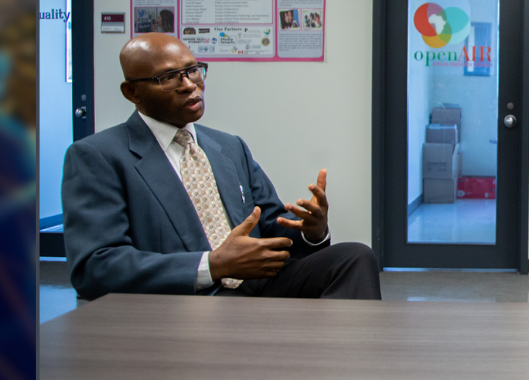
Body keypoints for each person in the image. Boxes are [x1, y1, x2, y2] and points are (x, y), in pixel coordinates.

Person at [62, 33, 381, 301]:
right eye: (169, 78)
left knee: (355, 257)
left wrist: (312, 232)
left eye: (193, 71)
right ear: (131, 92)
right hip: (188, 299)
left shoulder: (228, 147)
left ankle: (348, 359)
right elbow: (95, 267)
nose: (189, 85)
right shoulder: (98, 156)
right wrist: (212, 265)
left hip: (258, 286)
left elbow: (272, 228)